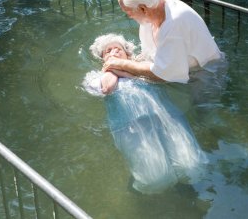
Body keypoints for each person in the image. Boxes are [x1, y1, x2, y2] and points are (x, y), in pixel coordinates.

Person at [83, 33, 208, 194]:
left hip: (165, 116)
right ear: (102, 59)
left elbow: (162, 78)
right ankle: (140, 191)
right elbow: (107, 89)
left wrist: (126, 70)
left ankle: (183, 187)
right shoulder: (97, 76)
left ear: (128, 54)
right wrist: (112, 68)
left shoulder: (145, 67)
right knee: (154, 177)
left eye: (117, 49)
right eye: (108, 51)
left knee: (191, 164)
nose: (113, 52)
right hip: (131, 126)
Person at [102, 0, 224, 84]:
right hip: (182, 72)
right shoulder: (151, 14)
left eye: (128, 12)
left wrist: (122, 64)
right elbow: (153, 59)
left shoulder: (174, 23)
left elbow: (164, 75)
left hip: (205, 75)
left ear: (143, 8)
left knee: (197, 109)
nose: (129, 16)